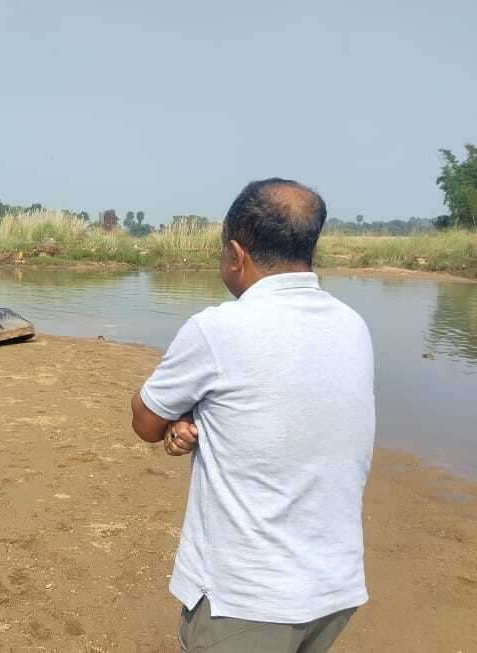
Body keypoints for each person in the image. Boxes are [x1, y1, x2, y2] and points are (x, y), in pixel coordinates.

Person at [130, 178, 375, 652]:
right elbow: (282, 411)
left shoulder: (218, 328)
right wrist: (198, 423)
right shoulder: (353, 325)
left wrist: (180, 419)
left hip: (247, 601)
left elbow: (145, 421)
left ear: (236, 255)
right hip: (334, 589)